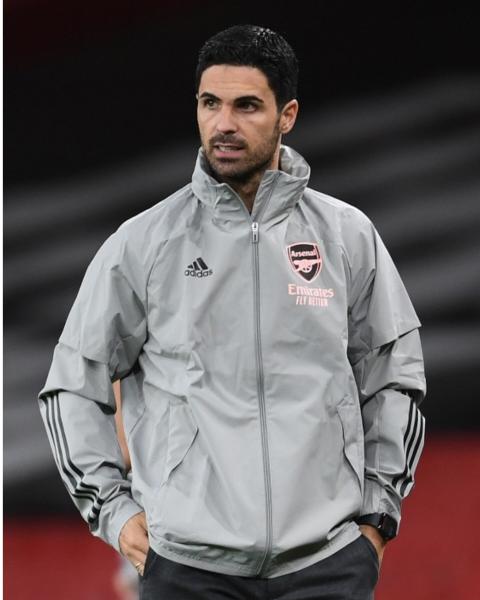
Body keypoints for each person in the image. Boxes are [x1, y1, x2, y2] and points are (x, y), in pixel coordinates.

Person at [38, 24, 425, 599]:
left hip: (327, 563)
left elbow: (395, 374)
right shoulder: (144, 243)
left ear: (286, 115)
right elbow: (72, 383)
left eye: (247, 106)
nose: (224, 124)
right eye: (210, 103)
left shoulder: (346, 236)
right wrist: (115, 515)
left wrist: (375, 519)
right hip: (188, 570)